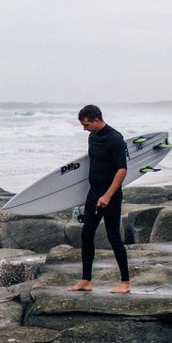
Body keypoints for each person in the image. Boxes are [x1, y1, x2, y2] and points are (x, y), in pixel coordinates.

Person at [67, 104, 131, 294]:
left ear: (96, 119)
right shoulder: (92, 137)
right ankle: (86, 280)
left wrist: (108, 195)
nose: (84, 129)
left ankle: (126, 282)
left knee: (113, 237)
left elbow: (122, 170)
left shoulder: (115, 138)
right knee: (86, 234)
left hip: (110, 195)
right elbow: (92, 165)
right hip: (93, 193)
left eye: (86, 125)